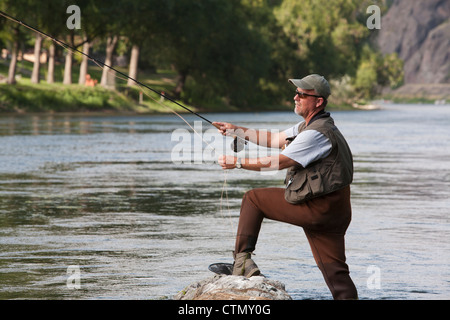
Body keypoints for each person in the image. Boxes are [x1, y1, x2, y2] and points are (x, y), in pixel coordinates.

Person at [214, 74, 358, 300]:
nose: (296, 97)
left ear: (318, 101)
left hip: (318, 210)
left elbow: (280, 161)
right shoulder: (311, 126)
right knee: (337, 276)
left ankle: (241, 262)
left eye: (302, 94)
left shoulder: (315, 134)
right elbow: (274, 138)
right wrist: (237, 131)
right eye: (297, 93)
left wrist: (238, 162)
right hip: (334, 213)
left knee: (253, 199)